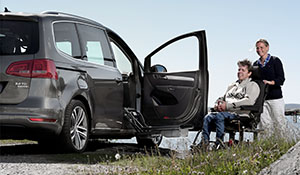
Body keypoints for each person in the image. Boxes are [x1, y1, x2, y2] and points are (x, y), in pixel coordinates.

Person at [200, 59, 260, 148]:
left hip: (241, 114)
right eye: (239, 70)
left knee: (219, 116)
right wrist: (218, 104)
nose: (240, 72)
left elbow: (249, 101)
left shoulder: (252, 85)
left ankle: (219, 143)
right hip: (225, 113)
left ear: (249, 73)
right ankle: (204, 144)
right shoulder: (232, 86)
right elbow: (222, 98)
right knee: (208, 117)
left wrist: (228, 105)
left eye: (243, 70)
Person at [254, 39, 299, 140]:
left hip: (275, 98)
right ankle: (265, 147)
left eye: (261, 47)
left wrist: (270, 82)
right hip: (262, 99)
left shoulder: (275, 61)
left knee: (279, 123)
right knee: (264, 125)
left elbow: (281, 79)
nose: (259, 50)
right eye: (257, 48)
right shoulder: (255, 64)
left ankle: (283, 145)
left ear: (267, 48)